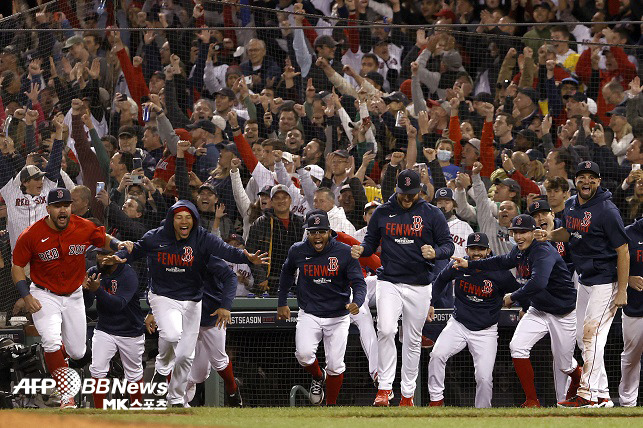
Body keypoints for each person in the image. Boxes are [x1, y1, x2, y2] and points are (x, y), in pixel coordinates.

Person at [106, 200, 269, 407]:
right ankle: (166, 375)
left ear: (194, 220)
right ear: (171, 221)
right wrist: (118, 256)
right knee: (172, 335)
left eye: (188, 217)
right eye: (178, 217)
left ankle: (179, 398)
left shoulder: (202, 243)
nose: (184, 221)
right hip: (165, 297)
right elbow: (135, 251)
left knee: (187, 359)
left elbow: (226, 252)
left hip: (198, 306)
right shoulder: (156, 238)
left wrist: (245, 258)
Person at [11, 188, 129, 409]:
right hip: (44, 294)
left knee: (78, 351)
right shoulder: (32, 234)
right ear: (48, 210)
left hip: (74, 295)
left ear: (71, 207)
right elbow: (17, 266)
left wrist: (118, 245)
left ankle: (54, 355)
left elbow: (102, 238)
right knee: (51, 340)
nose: (62, 209)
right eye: (57, 206)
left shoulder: (82, 226)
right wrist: (26, 296)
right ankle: (67, 395)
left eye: (66, 205)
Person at [453, 215, 580, 408]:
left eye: (523, 232)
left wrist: (513, 297)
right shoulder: (519, 251)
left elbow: (539, 282)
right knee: (517, 347)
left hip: (563, 313)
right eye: (515, 232)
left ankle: (580, 379)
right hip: (539, 310)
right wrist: (470, 264)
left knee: (565, 365)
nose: (518, 236)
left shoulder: (542, 251)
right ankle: (531, 400)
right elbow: (500, 262)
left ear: (533, 232)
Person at [352, 169, 454, 406]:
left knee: (412, 339)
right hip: (389, 280)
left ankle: (408, 394)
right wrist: (362, 250)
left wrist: (436, 252)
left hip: (419, 284)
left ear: (420, 191)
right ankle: (385, 388)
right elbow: (370, 242)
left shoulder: (432, 213)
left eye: (411, 194)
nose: (407, 199)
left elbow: (448, 246)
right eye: (403, 194)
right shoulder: (383, 212)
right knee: (386, 329)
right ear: (395, 190)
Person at [541, 162, 629, 408]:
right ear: (575, 181)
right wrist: (549, 235)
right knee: (583, 337)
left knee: (592, 338)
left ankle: (587, 395)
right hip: (584, 279)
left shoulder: (607, 210)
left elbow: (623, 250)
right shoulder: (570, 205)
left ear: (599, 182)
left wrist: (621, 290)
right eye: (582, 177)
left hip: (605, 281)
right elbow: (569, 233)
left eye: (592, 178)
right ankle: (602, 394)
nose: (586, 182)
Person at [277, 211, 366, 406]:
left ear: (330, 232)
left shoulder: (344, 251)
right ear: (307, 233)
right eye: (313, 232)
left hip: (338, 315)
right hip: (310, 312)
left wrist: (357, 301)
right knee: (304, 355)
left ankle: (330, 406)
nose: (317, 236)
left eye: (322, 231)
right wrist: (282, 301)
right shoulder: (297, 250)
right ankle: (318, 377)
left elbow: (359, 282)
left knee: (335, 365)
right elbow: (286, 274)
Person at [427, 232, 519, 408]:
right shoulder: (459, 265)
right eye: (473, 249)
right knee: (437, 355)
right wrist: (430, 302)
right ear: (467, 250)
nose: (477, 253)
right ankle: (436, 400)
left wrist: (524, 306)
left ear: (488, 250)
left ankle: (483, 413)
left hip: (486, 330)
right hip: (458, 324)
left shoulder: (499, 271)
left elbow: (518, 291)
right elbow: (440, 280)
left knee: (484, 378)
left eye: (481, 249)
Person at [84, 247, 145, 409]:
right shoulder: (93, 272)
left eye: (105, 255)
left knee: (133, 373)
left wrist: (98, 290)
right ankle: (99, 413)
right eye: (99, 255)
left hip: (130, 330)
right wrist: (85, 291)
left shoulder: (128, 274)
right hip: (105, 328)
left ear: (116, 257)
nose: (101, 259)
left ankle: (137, 411)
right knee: (97, 369)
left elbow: (119, 304)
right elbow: (87, 304)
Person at [620, 218, 643, 407]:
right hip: (635, 308)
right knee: (631, 357)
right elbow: (608, 263)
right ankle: (628, 403)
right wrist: (627, 279)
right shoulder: (628, 233)